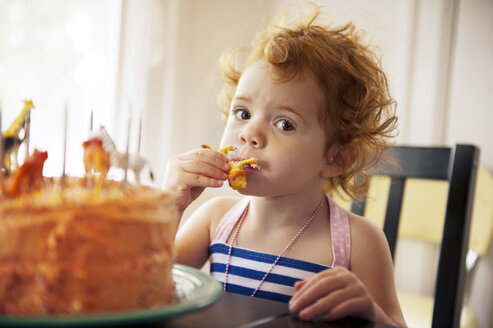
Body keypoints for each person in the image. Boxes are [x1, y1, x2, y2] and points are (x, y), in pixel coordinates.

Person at [163, 4, 406, 327]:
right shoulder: (215, 221)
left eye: (285, 124)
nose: (249, 133)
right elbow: (151, 290)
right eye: (243, 113)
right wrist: (169, 207)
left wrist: (370, 314)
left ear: (335, 158)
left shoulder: (358, 242)